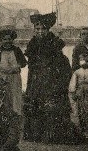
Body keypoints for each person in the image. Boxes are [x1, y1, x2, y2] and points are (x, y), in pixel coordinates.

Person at [23, 13, 84, 144]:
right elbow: (32, 66)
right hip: (36, 80)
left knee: (52, 105)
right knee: (36, 104)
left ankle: (52, 135)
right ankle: (37, 134)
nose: (40, 31)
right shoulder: (33, 44)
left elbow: (61, 65)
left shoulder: (54, 43)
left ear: (47, 29)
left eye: (43, 29)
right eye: (37, 29)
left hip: (51, 79)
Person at [0, 27, 26, 113]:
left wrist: (17, 66)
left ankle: (17, 115)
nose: (7, 41)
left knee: (16, 96)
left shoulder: (17, 50)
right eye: (4, 39)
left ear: (12, 39)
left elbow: (23, 63)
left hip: (15, 77)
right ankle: (6, 116)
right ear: (1, 40)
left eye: (9, 39)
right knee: (4, 97)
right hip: (3, 77)